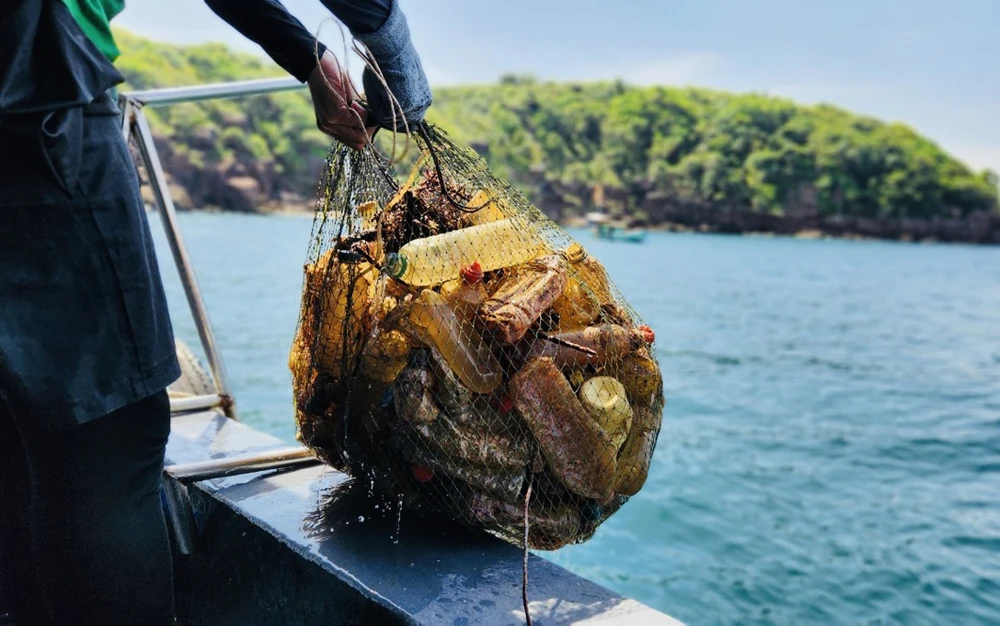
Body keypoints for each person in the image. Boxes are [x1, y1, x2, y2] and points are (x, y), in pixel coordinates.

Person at [0, 0, 430, 623]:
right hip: (33, 92)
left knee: (21, 416)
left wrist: (307, 56)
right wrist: (393, 54)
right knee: (108, 435)